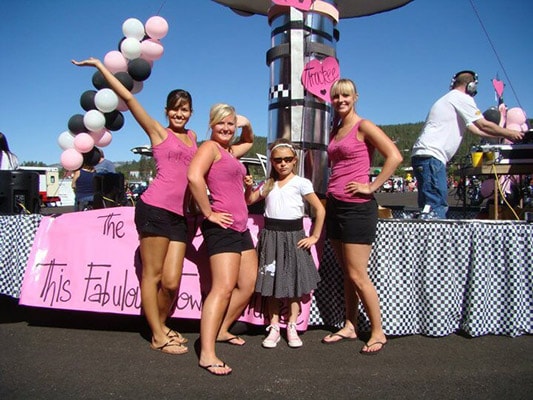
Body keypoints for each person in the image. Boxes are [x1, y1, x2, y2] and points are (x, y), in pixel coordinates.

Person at [72, 58, 197, 355]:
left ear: (190, 113)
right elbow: (128, 97)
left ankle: (160, 323)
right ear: (167, 111)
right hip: (154, 209)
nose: (180, 114)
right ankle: (157, 334)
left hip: (181, 215)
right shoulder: (157, 130)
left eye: (185, 109)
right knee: (151, 276)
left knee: (171, 281)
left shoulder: (192, 137)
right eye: (175, 108)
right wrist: (100, 67)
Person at [321, 78, 403, 355]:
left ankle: (378, 331)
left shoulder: (363, 125)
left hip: (357, 208)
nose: (341, 100)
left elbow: (394, 156)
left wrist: (371, 186)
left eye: (345, 95)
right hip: (335, 205)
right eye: (336, 97)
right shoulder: (336, 129)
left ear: (355, 96)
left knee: (357, 274)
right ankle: (350, 324)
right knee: (347, 273)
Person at [187, 103, 258, 376]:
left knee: (247, 285)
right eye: (222, 124)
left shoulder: (230, 150)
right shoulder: (210, 148)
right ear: (212, 125)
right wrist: (209, 213)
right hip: (222, 226)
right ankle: (206, 353)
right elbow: (193, 176)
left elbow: (249, 139)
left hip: (240, 227)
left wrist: (245, 121)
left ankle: (221, 329)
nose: (227, 129)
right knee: (223, 288)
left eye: (231, 125)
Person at [245, 138, 325, 349]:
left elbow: (320, 209)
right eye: (278, 160)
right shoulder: (268, 184)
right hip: (271, 236)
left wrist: (314, 236)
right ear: (272, 161)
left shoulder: (301, 183)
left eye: (287, 159)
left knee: (293, 286)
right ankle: (273, 326)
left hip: (293, 237)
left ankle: (291, 325)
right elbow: (249, 200)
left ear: (294, 160)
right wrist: (248, 188)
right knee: (271, 285)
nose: (283, 163)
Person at [411, 70, 524, 218]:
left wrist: (499, 136)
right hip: (432, 157)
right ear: (471, 86)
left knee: (428, 208)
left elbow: (475, 129)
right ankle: (437, 240)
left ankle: (427, 239)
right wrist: (509, 133)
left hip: (424, 156)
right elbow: (483, 124)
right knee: (436, 209)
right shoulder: (461, 98)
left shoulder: (450, 99)